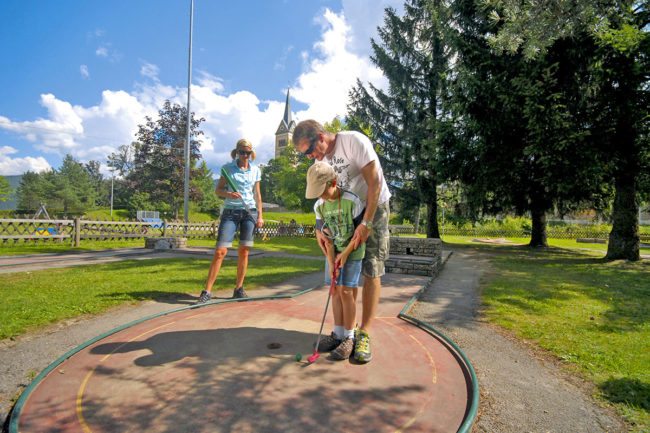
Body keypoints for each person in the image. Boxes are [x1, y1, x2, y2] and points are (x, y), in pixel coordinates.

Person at [293, 120, 391, 363]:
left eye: (309, 150)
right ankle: (342, 333)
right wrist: (319, 228)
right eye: (306, 154)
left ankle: (363, 333)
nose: (310, 157)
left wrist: (366, 222)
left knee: (371, 266)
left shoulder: (353, 142)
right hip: (343, 214)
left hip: (373, 208)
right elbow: (322, 201)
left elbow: (375, 183)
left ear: (320, 136)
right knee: (342, 279)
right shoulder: (320, 161)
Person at [306, 162, 365, 360]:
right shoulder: (320, 206)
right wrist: (332, 264)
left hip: (353, 250)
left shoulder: (353, 201)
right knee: (335, 291)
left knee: (346, 291)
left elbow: (360, 235)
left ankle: (349, 336)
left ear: (333, 182)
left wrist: (345, 254)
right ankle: (338, 334)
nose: (320, 196)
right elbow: (327, 240)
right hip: (334, 251)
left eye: (322, 191)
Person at [197, 139, 264, 303]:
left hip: (249, 212)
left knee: (244, 251)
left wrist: (260, 216)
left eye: (248, 152)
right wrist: (229, 194)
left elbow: (257, 195)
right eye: (242, 152)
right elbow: (218, 190)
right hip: (230, 212)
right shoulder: (227, 169)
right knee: (220, 252)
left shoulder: (255, 170)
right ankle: (207, 291)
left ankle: (239, 289)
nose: (245, 155)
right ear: (237, 152)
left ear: (251, 153)